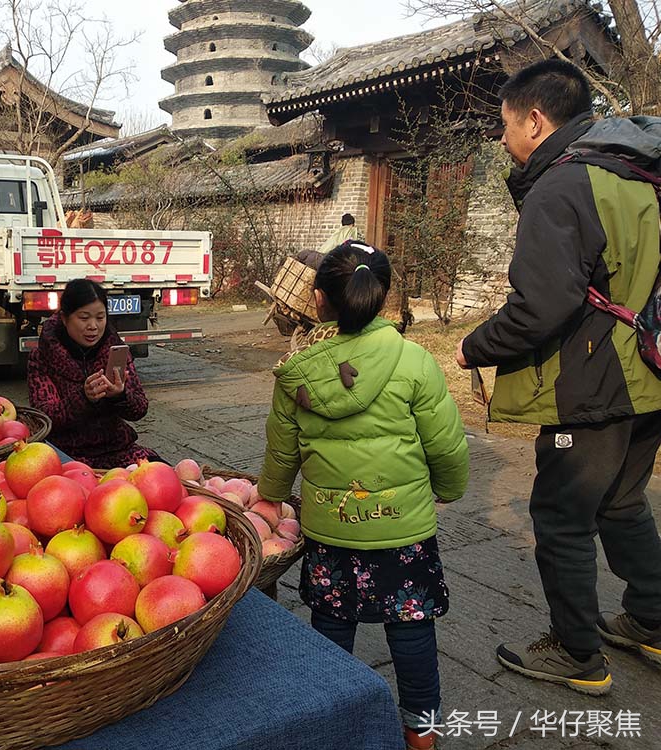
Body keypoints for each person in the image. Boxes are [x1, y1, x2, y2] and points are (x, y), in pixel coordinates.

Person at [456, 59, 661, 694]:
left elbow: (541, 307)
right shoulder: (636, 173)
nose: (501, 139)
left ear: (536, 120)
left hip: (596, 383)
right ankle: (651, 621)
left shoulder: (560, 188)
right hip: (652, 371)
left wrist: (474, 346)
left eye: (504, 125)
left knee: (562, 516)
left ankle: (576, 653)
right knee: (624, 503)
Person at [259, 242, 469, 750]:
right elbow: (446, 444)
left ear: (318, 299)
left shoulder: (299, 372)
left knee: (331, 627)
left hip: (332, 529)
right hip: (403, 529)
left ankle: (332, 725)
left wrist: (270, 498)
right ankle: (421, 732)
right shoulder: (416, 361)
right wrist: (448, 488)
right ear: (381, 295)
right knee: (411, 628)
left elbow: (281, 453)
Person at [27, 278, 161, 469]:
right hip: (66, 455)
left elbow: (140, 409)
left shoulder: (115, 350)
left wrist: (120, 396)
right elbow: (43, 418)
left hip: (117, 451)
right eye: (84, 318)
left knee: (165, 477)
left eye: (100, 317)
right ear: (65, 318)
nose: (93, 326)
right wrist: (84, 397)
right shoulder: (42, 357)